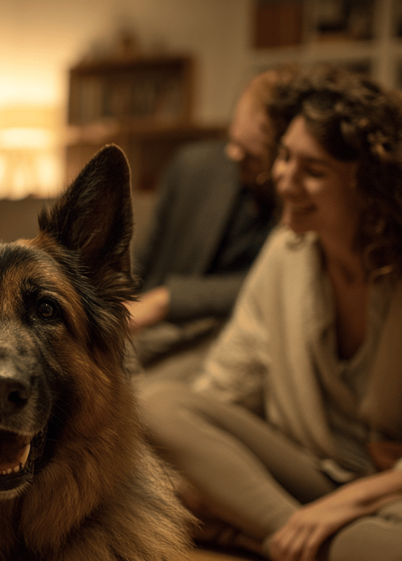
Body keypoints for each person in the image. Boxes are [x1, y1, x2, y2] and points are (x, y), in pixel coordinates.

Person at [140, 66, 402, 561]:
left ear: (372, 184)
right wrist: (203, 466)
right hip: (300, 468)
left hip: (392, 489)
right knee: (157, 404)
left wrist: (345, 503)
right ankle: (287, 536)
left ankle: (258, 535)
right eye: (285, 157)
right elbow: (225, 386)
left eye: (311, 169)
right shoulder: (286, 250)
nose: (283, 179)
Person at [127, 66, 298, 381]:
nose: (232, 155)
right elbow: (140, 260)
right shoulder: (192, 167)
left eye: (250, 156)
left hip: (228, 337)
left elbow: (268, 283)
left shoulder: (299, 204)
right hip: (150, 330)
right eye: (232, 140)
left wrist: (167, 300)